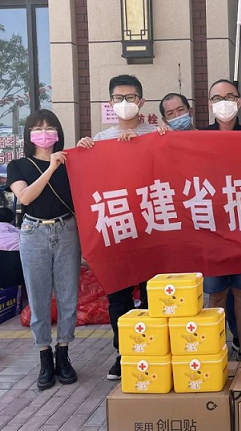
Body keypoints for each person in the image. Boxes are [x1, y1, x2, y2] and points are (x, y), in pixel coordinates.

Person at [77, 74, 156, 380]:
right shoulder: (99, 140)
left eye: (130, 97)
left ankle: (150, 349)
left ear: (141, 101)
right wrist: (83, 151)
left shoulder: (156, 134)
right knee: (118, 295)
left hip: (150, 226)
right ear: (110, 103)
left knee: (151, 295)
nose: (125, 103)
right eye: (118, 98)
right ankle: (123, 352)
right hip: (115, 227)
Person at [6, 109, 81, 390]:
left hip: (67, 230)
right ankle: (44, 356)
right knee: (38, 299)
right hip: (33, 232)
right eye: (38, 128)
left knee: (68, 296)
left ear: (59, 132)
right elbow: (25, 197)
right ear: (29, 134)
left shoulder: (70, 161)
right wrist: (51, 167)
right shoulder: (18, 165)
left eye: (50, 127)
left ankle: (63, 353)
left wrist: (87, 148)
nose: (45, 133)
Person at [204, 79, 241, 358]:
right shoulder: (197, 139)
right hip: (211, 230)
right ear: (209, 104)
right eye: (217, 98)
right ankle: (215, 350)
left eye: (229, 96)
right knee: (216, 293)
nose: (223, 102)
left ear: (239, 102)